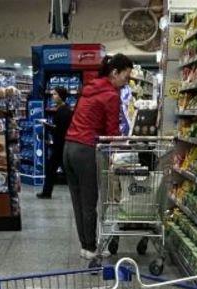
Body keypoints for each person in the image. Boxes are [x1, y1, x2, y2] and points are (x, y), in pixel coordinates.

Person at [64, 53, 133, 265]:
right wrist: (126, 143)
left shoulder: (89, 88)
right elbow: (111, 132)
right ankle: (92, 248)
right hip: (85, 150)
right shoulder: (111, 95)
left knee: (78, 202)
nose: (126, 81)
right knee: (89, 202)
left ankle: (86, 247)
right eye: (126, 76)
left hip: (69, 148)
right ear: (115, 72)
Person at [37, 87, 72, 199]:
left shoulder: (63, 111)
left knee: (53, 169)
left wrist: (47, 126)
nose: (53, 96)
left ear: (61, 96)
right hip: (61, 145)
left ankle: (47, 192)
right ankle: (47, 192)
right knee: (55, 170)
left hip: (60, 146)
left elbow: (60, 129)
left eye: (55, 94)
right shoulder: (63, 109)